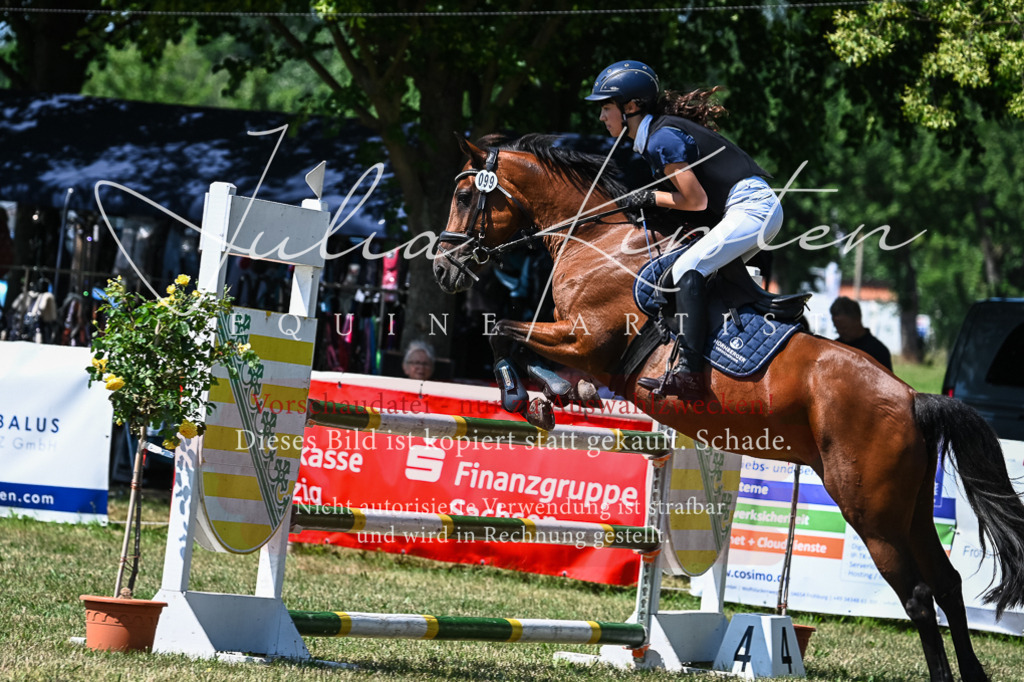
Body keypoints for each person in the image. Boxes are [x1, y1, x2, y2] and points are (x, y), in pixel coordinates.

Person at [584, 60, 783, 400]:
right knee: (699, 273)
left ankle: (690, 376)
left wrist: (649, 196)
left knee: (688, 268)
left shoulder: (661, 138)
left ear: (630, 107)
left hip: (752, 208)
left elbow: (695, 200)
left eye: (606, 106)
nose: (602, 116)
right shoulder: (655, 135)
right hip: (746, 209)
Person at [829, 297, 893, 371]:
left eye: (844, 328)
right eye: (837, 328)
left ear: (857, 319)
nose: (841, 332)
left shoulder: (878, 351)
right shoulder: (835, 348)